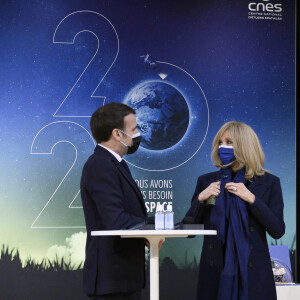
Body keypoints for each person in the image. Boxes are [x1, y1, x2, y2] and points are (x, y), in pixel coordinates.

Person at [184, 121, 285, 300]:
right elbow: (188, 230)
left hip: (254, 276)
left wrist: (252, 199)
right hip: (215, 273)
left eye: (229, 143)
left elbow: (277, 230)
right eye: (221, 143)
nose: (223, 147)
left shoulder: (269, 182)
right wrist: (201, 199)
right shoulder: (206, 181)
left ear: (244, 146)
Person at [80, 103, 148, 300]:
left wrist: (147, 232)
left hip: (123, 278)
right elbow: (115, 218)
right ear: (117, 134)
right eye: (134, 129)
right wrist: (150, 229)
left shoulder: (117, 164)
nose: (137, 134)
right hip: (111, 281)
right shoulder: (100, 165)